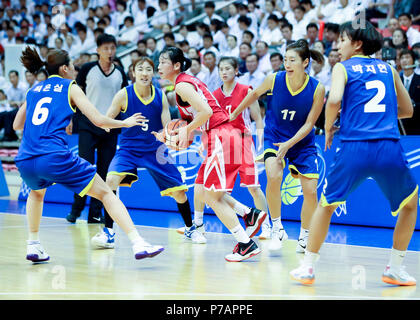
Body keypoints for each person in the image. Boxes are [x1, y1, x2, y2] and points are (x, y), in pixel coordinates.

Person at [290, 21, 418, 286]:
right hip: (388, 147)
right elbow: (407, 110)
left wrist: (327, 128)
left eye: (343, 40)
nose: (338, 45)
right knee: (410, 205)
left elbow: (334, 99)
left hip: (354, 147)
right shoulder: (388, 68)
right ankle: (395, 267)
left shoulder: (342, 67)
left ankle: (307, 267)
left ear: (357, 44)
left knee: (326, 206)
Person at [14, 47, 164, 263]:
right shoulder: (70, 87)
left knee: (36, 194)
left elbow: (18, 124)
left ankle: (33, 245)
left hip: (26, 159)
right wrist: (125, 122)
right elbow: (99, 120)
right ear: (64, 68)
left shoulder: (34, 89)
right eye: (73, 66)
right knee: (105, 193)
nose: (75, 70)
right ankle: (138, 242)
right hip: (53, 156)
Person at [155, 47, 267, 262]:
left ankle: (245, 243)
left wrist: (185, 131)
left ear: (176, 65)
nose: (158, 66)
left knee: (211, 196)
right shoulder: (188, 82)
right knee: (201, 185)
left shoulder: (182, 86)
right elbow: (197, 118)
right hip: (222, 135)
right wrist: (170, 134)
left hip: (221, 136)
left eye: (162, 62)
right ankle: (248, 214)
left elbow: (206, 112)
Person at [91, 57, 206, 248]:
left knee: (179, 193)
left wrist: (167, 136)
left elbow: (166, 125)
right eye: (140, 69)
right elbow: (105, 121)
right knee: (110, 181)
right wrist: (123, 123)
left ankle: (189, 228)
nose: (145, 73)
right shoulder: (124, 95)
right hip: (128, 149)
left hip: (155, 150)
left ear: (153, 74)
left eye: (148, 69)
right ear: (133, 73)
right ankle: (109, 232)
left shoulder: (160, 95)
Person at [232, 39, 325, 253]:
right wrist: (236, 112)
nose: (287, 64)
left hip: (302, 142)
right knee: (273, 176)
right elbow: (253, 94)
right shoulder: (273, 79)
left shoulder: (317, 88)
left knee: (310, 191)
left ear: (305, 62)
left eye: (292, 60)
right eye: (285, 59)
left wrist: (289, 145)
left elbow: (310, 124)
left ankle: (305, 235)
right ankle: (277, 228)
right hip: (274, 136)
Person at [180, 56, 272, 240]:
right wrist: (204, 144)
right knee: (208, 186)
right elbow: (212, 122)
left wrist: (261, 143)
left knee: (253, 187)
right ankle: (198, 224)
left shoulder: (247, 90)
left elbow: (258, 119)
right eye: (221, 68)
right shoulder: (214, 95)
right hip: (221, 143)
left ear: (236, 70)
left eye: (228, 68)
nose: (224, 72)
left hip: (243, 141)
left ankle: (267, 226)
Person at [66, 34, 128, 224]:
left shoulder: (120, 72)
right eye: (106, 48)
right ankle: (76, 210)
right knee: (84, 168)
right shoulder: (87, 69)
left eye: (112, 48)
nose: (110, 52)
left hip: (109, 129)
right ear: (98, 50)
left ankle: (95, 213)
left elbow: (125, 100)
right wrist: (70, 118)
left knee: (104, 172)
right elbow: (75, 96)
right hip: (87, 125)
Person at [398, 49, 420, 135]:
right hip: (400, 126)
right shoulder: (396, 80)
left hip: (417, 124)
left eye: (407, 57)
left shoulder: (419, 79)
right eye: (402, 58)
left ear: (414, 60)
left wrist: (413, 104)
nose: (404, 60)